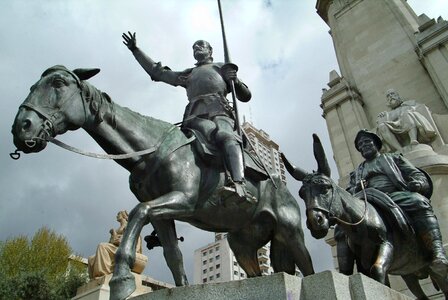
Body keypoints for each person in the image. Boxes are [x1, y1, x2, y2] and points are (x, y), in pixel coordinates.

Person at [122, 32, 254, 204]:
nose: (196, 48)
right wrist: (136, 50)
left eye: (200, 45)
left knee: (227, 136)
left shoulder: (221, 68)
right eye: (194, 47)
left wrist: (235, 80)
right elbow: (158, 72)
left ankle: (238, 184)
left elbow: (246, 96)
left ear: (210, 50)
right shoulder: (189, 74)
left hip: (219, 113)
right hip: (194, 118)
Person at [347, 129, 447, 276]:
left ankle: (436, 252)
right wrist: (356, 187)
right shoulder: (356, 172)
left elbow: (416, 174)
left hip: (395, 196)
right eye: (360, 144)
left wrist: (418, 184)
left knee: (419, 202)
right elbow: (349, 193)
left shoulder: (393, 158)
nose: (364, 145)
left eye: (367, 141)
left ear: (376, 143)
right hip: (368, 202)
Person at [88, 210, 144, 279]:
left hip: (123, 249)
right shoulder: (119, 228)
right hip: (115, 247)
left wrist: (114, 235)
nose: (117, 216)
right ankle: (93, 279)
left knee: (102, 246)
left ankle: (103, 273)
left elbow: (127, 241)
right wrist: (113, 235)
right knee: (91, 258)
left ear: (123, 216)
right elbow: (111, 242)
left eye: (118, 214)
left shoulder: (128, 227)